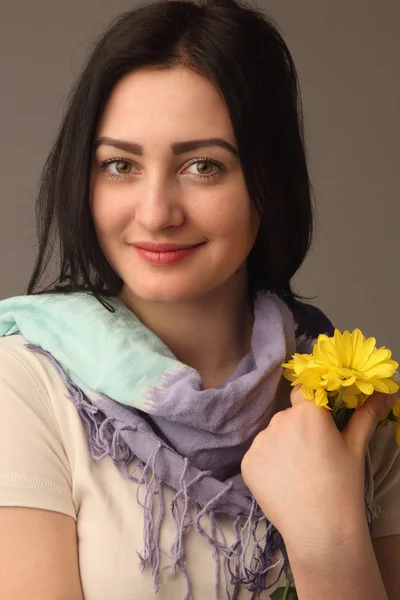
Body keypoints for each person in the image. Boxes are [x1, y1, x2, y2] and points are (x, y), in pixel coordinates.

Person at [0, 0, 399, 598]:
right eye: (119, 165)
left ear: (269, 180)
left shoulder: (356, 409)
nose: (157, 213)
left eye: (203, 166)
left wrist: (328, 534)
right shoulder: (24, 391)